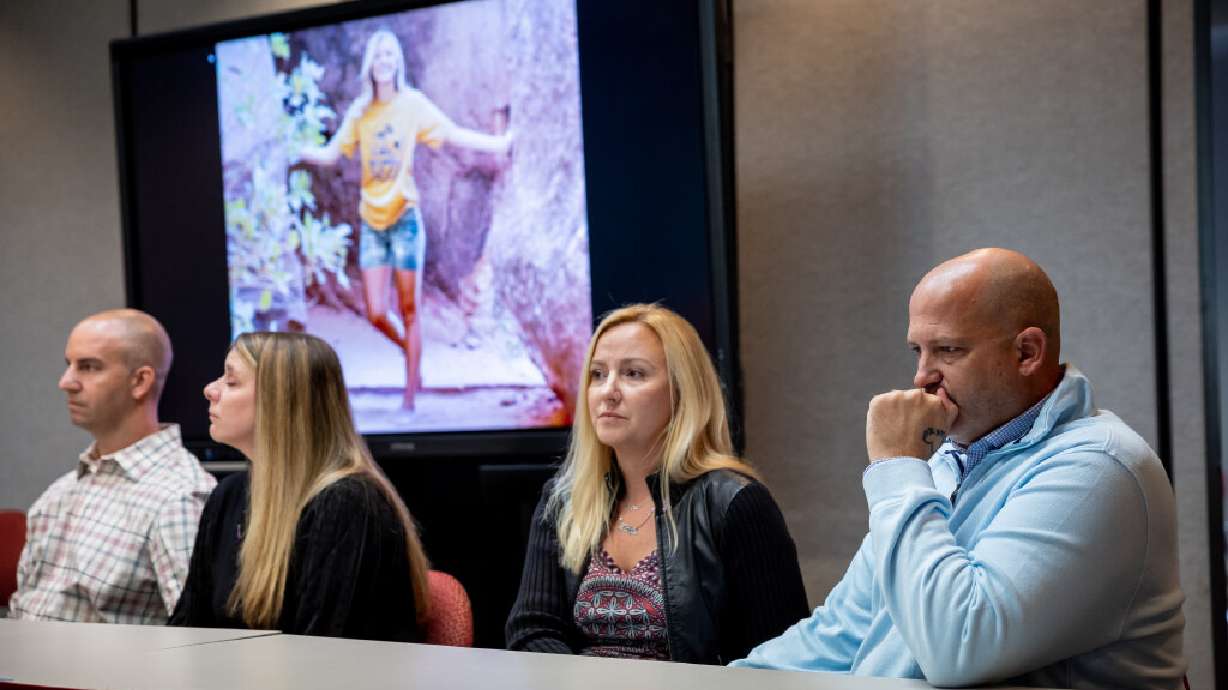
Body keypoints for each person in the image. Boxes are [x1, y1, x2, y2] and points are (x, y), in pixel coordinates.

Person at [732, 249, 1186, 689]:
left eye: (948, 350)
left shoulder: (1098, 468)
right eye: (917, 351)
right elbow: (842, 632)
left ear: (1027, 353)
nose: (922, 377)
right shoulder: (952, 459)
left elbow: (960, 647)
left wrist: (898, 466)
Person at [506, 304, 809, 663]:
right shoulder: (565, 501)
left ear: (682, 393)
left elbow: (781, 658)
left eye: (634, 374)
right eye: (598, 374)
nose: (609, 391)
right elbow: (532, 630)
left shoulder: (736, 503)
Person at [299, 28, 512, 411]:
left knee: (409, 309)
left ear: (398, 63)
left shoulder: (412, 104)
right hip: (373, 225)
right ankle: (411, 355)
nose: (385, 62)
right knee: (377, 311)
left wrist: (499, 144)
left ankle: (410, 394)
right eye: (379, 56)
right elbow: (332, 154)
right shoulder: (362, 112)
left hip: (405, 221)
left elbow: (450, 134)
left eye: (391, 56)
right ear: (371, 64)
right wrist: (292, 150)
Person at [169, 332, 429, 641]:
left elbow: (321, 655)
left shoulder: (348, 504)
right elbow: (187, 629)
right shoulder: (229, 495)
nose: (210, 390)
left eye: (232, 382)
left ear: (281, 400)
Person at [10, 309, 215, 623]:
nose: (66, 382)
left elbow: (201, 643)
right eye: (69, 366)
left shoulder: (178, 498)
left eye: (89, 367)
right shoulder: (62, 491)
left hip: (98, 673)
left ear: (140, 381)